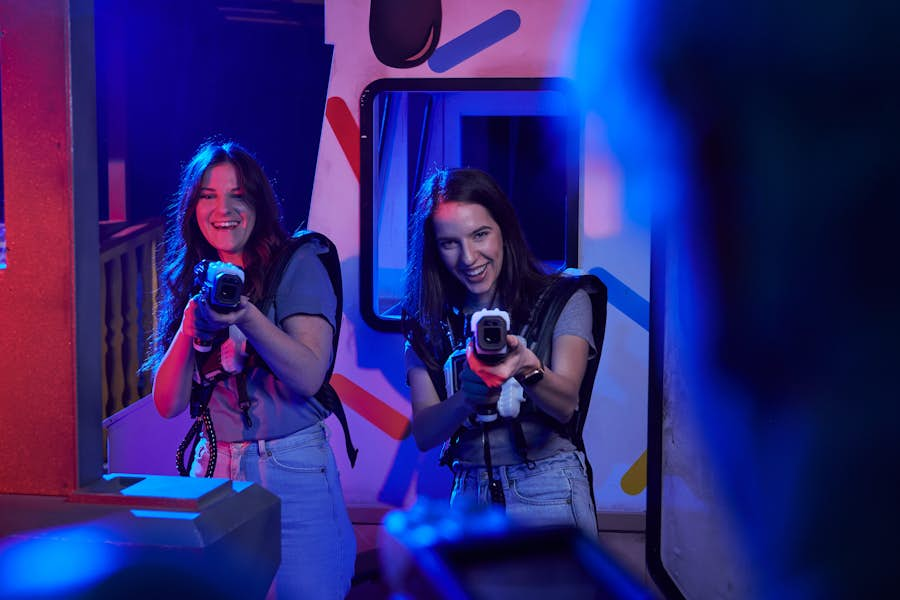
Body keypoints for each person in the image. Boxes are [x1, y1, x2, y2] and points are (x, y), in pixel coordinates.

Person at [145, 140, 355, 599]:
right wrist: (186, 330)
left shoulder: (298, 260)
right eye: (208, 195)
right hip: (215, 466)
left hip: (291, 464)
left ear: (258, 202)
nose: (224, 208)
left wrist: (244, 315)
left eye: (239, 194)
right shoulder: (192, 276)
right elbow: (167, 404)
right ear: (193, 206)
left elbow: (308, 376)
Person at [402, 167, 603, 538]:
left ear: (504, 230)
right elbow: (426, 433)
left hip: (548, 485)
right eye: (449, 243)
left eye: (480, 234)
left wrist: (527, 368)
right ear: (434, 247)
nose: (468, 256)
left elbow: (565, 405)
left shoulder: (563, 297)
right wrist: (467, 398)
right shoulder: (427, 318)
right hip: (468, 492)